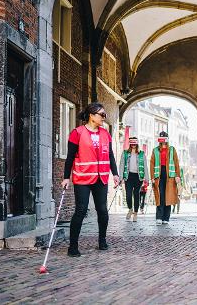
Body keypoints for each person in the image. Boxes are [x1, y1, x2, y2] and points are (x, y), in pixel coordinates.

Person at [61, 103, 120, 257]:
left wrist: (115, 174)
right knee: (81, 210)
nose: (104, 118)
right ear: (92, 115)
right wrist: (66, 178)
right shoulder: (77, 133)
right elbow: (70, 157)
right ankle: (73, 246)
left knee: (102, 210)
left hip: (101, 177)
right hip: (83, 178)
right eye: (102, 115)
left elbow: (110, 155)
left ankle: (102, 240)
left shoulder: (105, 134)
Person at [150, 131, 181, 225]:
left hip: (170, 177)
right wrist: (152, 177)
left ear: (167, 139)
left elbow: (176, 163)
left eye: (164, 137)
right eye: (161, 137)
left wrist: (177, 175)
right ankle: (159, 217)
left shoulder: (172, 149)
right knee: (160, 196)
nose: (163, 139)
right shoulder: (155, 150)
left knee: (169, 197)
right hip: (158, 176)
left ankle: (166, 218)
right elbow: (152, 164)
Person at [119, 137, 149, 222]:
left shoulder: (141, 154)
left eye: (134, 144)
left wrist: (147, 178)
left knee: (136, 194)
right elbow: (121, 165)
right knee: (128, 195)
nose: (133, 145)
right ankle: (130, 209)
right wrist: (120, 177)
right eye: (131, 144)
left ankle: (135, 213)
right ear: (130, 144)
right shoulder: (125, 153)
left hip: (138, 177)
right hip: (128, 176)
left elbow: (145, 166)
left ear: (137, 144)